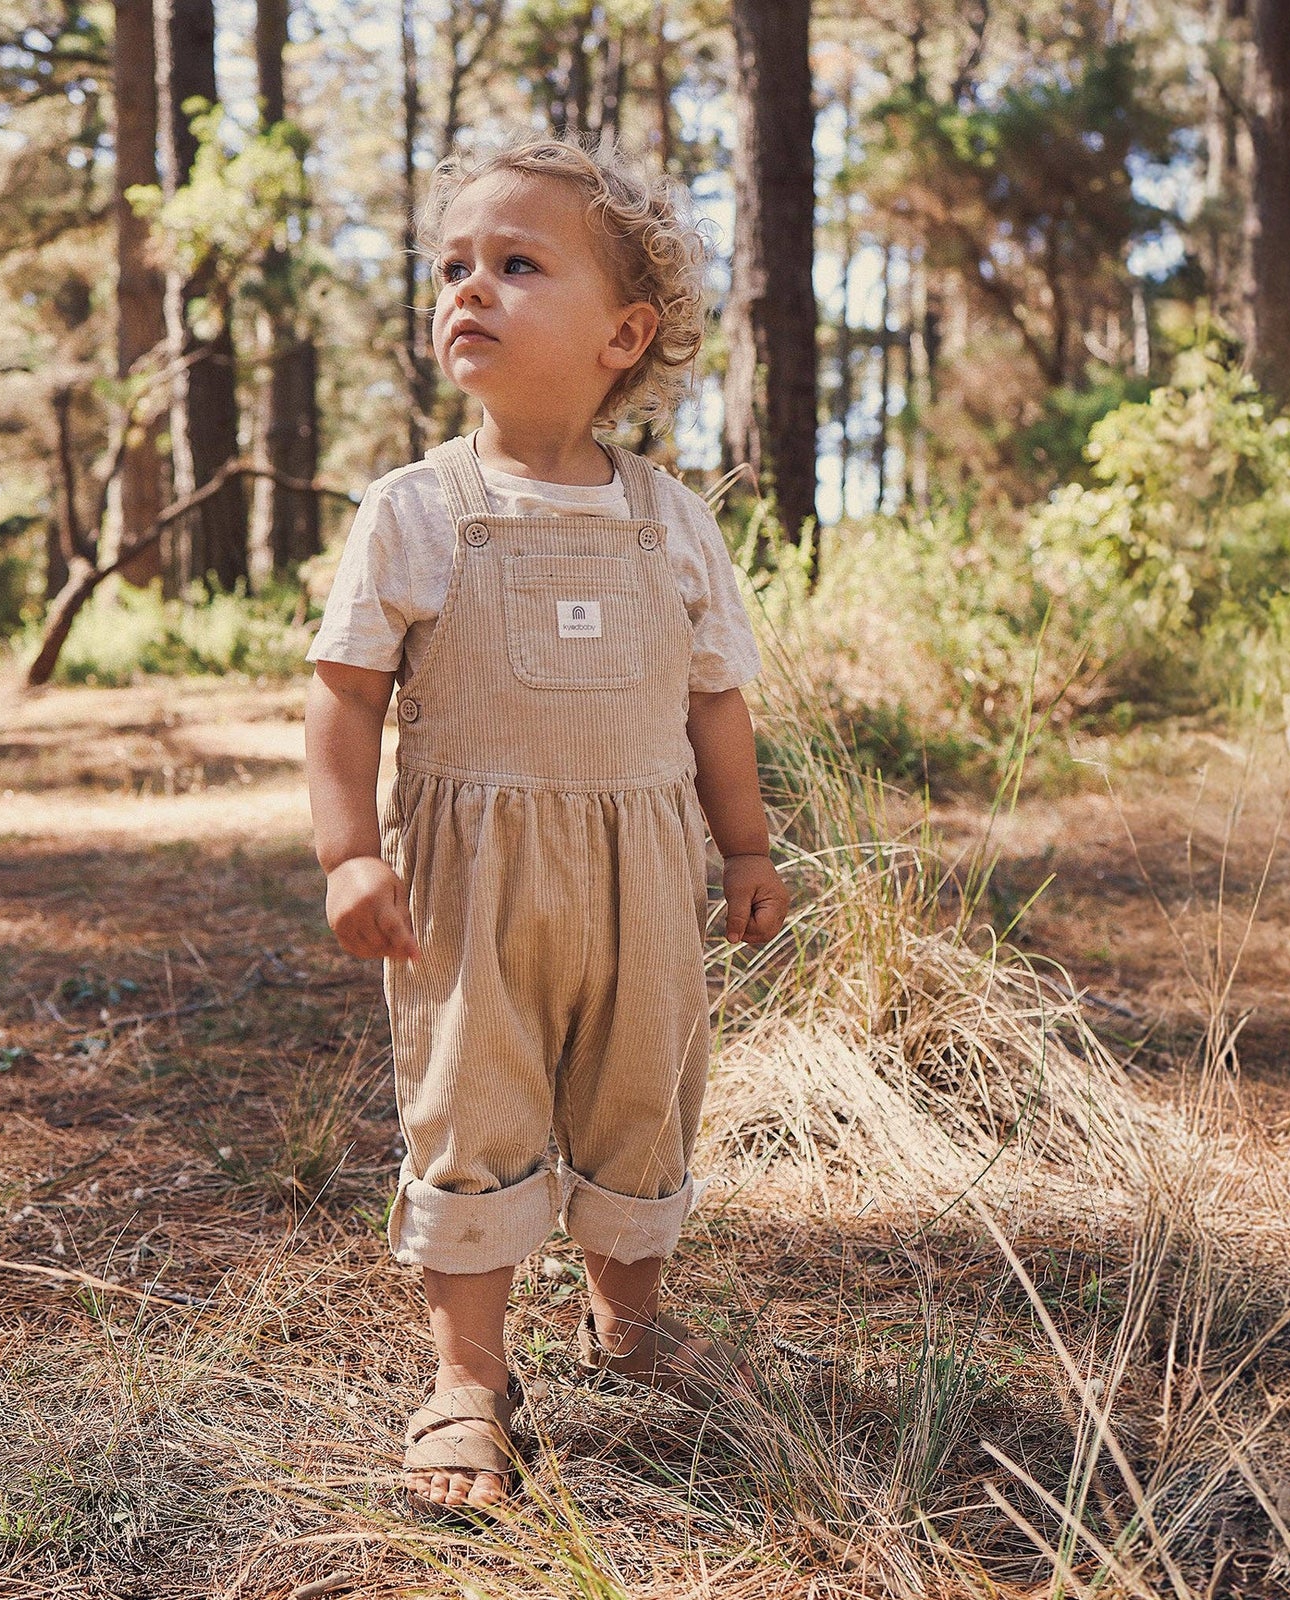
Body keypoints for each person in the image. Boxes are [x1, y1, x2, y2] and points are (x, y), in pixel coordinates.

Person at [303, 134, 790, 1518]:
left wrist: (746, 849)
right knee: (477, 1100)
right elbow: (341, 703)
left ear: (622, 336)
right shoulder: (415, 513)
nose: (470, 288)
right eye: (453, 265)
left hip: (647, 871)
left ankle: (628, 1318)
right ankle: (468, 1375)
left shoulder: (670, 521)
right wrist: (351, 851)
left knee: (646, 1092)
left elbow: (715, 709)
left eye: (518, 265)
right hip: (473, 882)